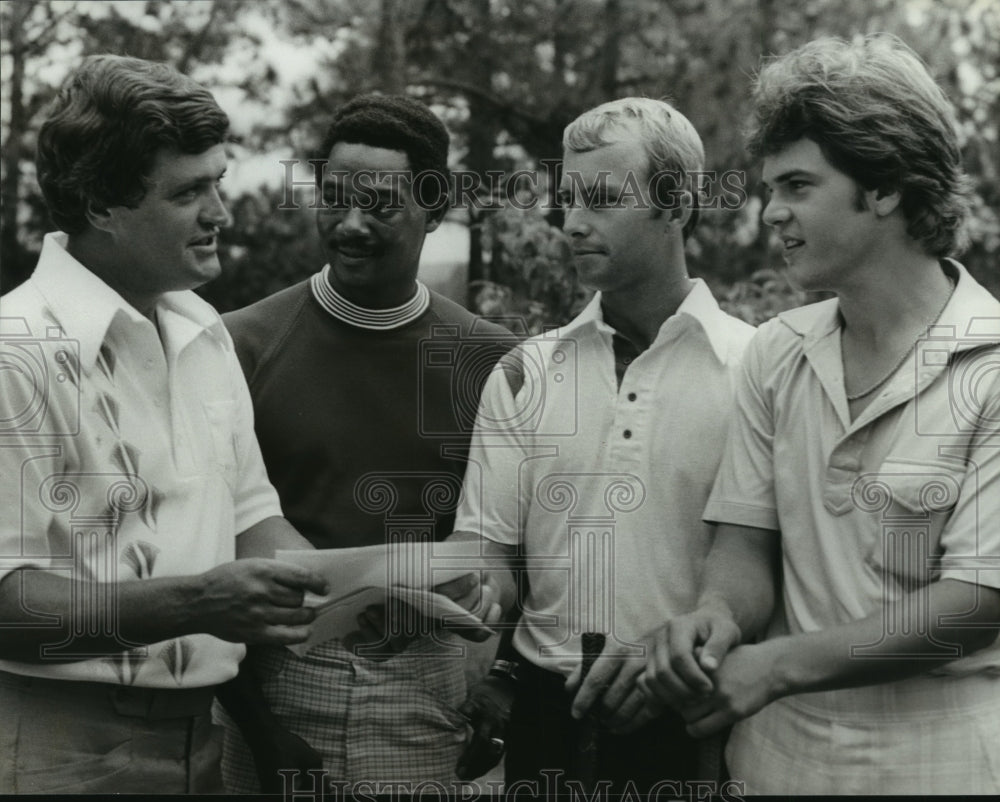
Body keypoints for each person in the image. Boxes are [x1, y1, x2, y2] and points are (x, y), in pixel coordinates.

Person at [641, 34, 1000, 795]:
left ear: (885, 189)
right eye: (771, 187)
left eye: (798, 186)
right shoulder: (777, 352)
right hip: (775, 762)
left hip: (942, 761)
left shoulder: (992, 364)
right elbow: (745, 542)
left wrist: (773, 667)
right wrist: (718, 615)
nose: (771, 212)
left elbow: (977, 603)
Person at [0, 55, 327, 795]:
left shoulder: (202, 328)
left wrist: (375, 588)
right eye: (189, 192)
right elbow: (5, 603)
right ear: (100, 205)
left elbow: (252, 523)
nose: (222, 213)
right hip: (52, 747)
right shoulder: (15, 350)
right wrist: (201, 603)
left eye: (218, 179)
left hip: (200, 738)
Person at [450, 97, 755, 796]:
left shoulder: (759, 369)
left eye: (603, 199)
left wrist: (685, 664)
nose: (573, 222)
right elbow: (487, 557)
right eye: (568, 199)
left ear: (677, 206)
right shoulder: (527, 371)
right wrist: (467, 595)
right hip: (546, 725)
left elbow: (777, 567)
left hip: (700, 722)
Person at [218, 94, 512, 793]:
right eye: (334, 199)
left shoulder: (489, 360)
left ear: (434, 209)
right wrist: (254, 719)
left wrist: (487, 646)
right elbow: (208, 531)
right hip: (275, 684)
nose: (349, 225)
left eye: (380, 205)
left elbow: (504, 544)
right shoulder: (239, 343)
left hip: (424, 691)